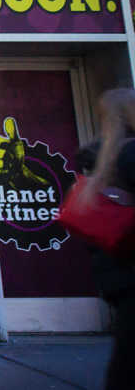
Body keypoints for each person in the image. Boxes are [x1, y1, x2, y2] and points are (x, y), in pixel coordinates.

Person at [76, 88, 135, 390]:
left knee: (126, 362)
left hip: (118, 272)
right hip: (129, 269)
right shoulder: (128, 155)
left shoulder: (101, 160)